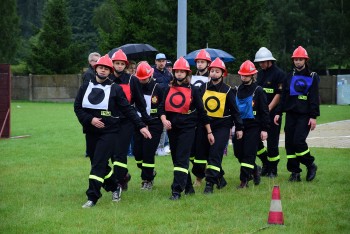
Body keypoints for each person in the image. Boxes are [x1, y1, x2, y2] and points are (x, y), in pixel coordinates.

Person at [74, 55, 151, 208]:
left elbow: (128, 109)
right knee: (99, 165)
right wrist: (90, 120)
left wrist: (141, 125)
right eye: (101, 67)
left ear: (110, 71)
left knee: (98, 164)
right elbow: (78, 108)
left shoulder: (115, 88)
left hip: (109, 132)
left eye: (106, 68)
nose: (103, 70)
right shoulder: (85, 86)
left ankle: (92, 197)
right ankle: (115, 186)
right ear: (96, 69)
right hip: (91, 131)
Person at [158, 57, 214, 200]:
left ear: (187, 73)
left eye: (182, 72)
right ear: (174, 73)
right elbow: (161, 108)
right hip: (172, 128)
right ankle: (188, 187)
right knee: (177, 160)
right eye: (177, 71)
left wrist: (209, 131)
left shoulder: (194, 90)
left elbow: (202, 112)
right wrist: (164, 120)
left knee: (182, 159)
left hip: (188, 128)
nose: (179, 74)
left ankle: (176, 191)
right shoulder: (167, 89)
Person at [194, 58, 244, 194]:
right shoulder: (201, 88)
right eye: (212, 71)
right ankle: (220, 179)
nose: (214, 73)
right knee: (201, 155)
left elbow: (235, 111)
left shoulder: (228, 91)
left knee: (215, 154)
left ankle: (209, 184)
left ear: (223, 74)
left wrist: (239, 128)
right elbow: (196, 108)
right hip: (204, 126)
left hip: (221, 127)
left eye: (217, 71)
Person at [274, 46, 319, 182]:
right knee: (289, 144)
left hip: (305, 116)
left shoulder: (312, 76)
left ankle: (310, 164)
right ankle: (295, 173)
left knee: (298, 142)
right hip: (291, 115)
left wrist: (313, 116)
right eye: (296, 60)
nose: (298, 62)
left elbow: (314, 97)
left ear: (305, 60)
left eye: (300, 59)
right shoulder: (289, 76)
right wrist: (278, 113)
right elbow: (283, 97)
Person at [110, 49, 152, 193]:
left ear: (126, 65)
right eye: (117, 63)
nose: (120, 66)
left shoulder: (132, 80)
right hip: (109, 121)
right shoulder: (107, 79)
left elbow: (140, 102)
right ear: (112, 64)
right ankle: (124, 176)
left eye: (122, 64)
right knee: (111, 153)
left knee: (120, 152)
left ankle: (119, 182)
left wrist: (146, 121)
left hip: (127, 120)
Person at [233, 60, 270, 188]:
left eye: (246, 75)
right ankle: (255, 170)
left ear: (253, 75)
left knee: (249, 153)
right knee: (238, 153)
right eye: (242, 75)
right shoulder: (237, 90)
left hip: (254, 126)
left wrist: (265, 129)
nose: (243, 77)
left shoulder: (259, 91)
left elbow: (265, 111)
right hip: (239, 126)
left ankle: (244, 181)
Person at [254, 47, 285, 177]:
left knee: (272, 143)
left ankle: (273, 169)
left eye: (263, 62)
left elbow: (279, 94)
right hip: (259, 114)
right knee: (255, 140)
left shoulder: (279, 74)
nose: (261, 64)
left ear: (269, 61)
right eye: (259, 62)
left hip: (273, 114)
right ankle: (266, 163)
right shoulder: (260, 74)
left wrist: (269, 109)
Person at [133, 61, 165, 190]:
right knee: (137, 154)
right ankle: (149, 171)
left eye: (144, 79)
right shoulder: (135, 86)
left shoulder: (159, 88)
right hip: (138, 123)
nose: (142, 81)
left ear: (150, 76)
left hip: (154, 124)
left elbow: (162, 107)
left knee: (148, 152)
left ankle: (147, 180)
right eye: (140, 79)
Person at [153, 53, 173, 156]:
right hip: (154, 102)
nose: (161, 63)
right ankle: (154, 147)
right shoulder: (152, 72)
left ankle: (161, 147)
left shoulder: (168, 73)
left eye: (163, 61)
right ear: (155, 61)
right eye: (159, 61)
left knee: (164, 127)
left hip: (166, 102)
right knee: (154, 125)